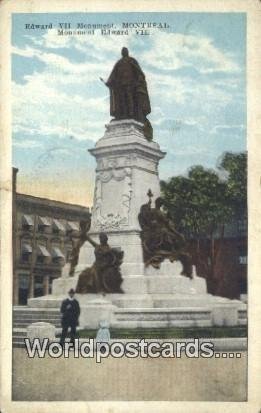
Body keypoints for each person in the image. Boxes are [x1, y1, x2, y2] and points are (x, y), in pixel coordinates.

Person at [105, 47, 152, 140]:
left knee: (130, 100)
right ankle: (122, 114)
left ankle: (131, 114)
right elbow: (113, 75)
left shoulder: (132, 61)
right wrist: (110, 82)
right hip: (121, 86)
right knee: (122, 101)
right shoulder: (119, 63)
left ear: (127, 52)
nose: (124, 52)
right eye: (123, 51)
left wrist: (139, 82)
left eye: (125, 51)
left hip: (131, 85)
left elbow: (139, 73)